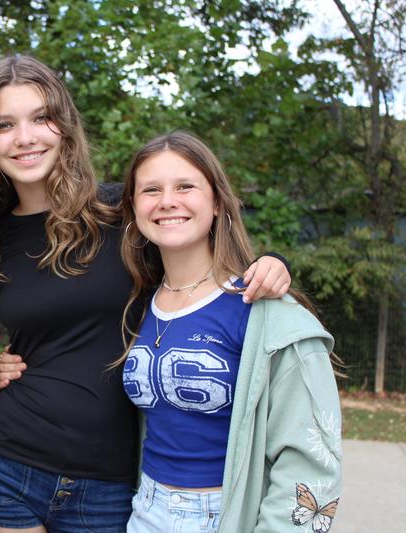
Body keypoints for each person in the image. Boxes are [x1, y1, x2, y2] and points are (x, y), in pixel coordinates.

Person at [0, 54, 293, 533]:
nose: (25, 137)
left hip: (110, 480)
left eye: (40, 118)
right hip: (9, 466)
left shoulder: (122, 212)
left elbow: (202, 257)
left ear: (64, 126)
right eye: (4, 125)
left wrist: (274, 261)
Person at [117, 131, 342, 532]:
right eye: (151, 189)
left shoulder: (265, 311)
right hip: (144, 510)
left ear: (218, 202)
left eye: (185, 186)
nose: (167, 201)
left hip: (226, 516)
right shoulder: (137, 303)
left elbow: (311, 461)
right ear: (133, 206)